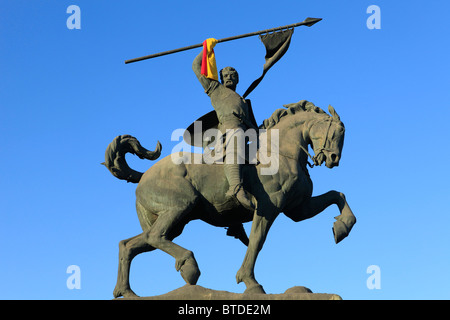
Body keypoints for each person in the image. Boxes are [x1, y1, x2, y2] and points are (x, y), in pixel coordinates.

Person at [192, 39, 255, 211]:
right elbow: (196, 67)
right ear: (220, 78)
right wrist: (206, 48)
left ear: (237, 79)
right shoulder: (216, 90)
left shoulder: (243, 101)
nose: (228, 77)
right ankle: (236, 188)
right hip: (229, 132)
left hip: (246, 134)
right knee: (237, 137)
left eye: (232, 75)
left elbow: (253, 127)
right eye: (225, 75)